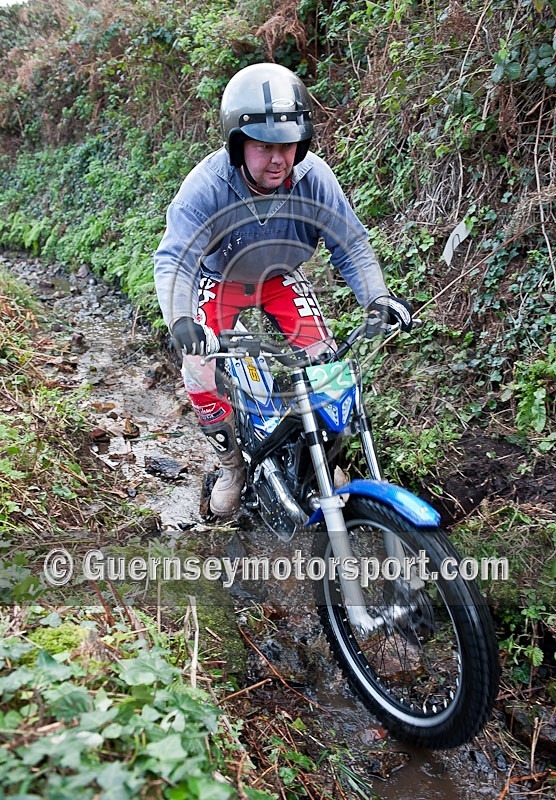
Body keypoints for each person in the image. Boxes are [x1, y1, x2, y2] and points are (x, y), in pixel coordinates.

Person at [154, 62, 412, 516]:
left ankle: (321, 462)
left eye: (288, 145)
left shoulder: (314, 179)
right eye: (264, 146)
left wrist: (376, 297)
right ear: (237, 145)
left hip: (280, 278)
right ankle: (233, 467)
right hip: (221, 280)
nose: (278, 159)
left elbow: (349, 242)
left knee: (328, 370)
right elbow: (176, 258)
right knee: (199, 372)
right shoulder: (206, 187)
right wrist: (180, 320)